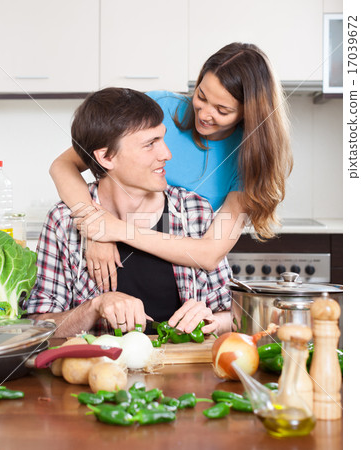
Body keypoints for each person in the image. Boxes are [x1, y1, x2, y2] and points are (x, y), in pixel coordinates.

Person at [49, 42, 293, 292]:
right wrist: (95, 231)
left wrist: (116, 231)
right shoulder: (162, 107)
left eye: (222, 110)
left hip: (178, 268)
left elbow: (209, 253)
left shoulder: (246, 160)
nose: (205, 114)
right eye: (201, 96)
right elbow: (63, 164)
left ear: (248, 113)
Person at [25, 87, 233, 338]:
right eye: (150, 144)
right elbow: (37, 327)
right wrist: (95, 307)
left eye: (162, 138)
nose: (167, 154)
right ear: (106, 157)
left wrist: (213, 320)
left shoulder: (194, 211)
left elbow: (232, 315)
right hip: (99, 373)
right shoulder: (62, 222)